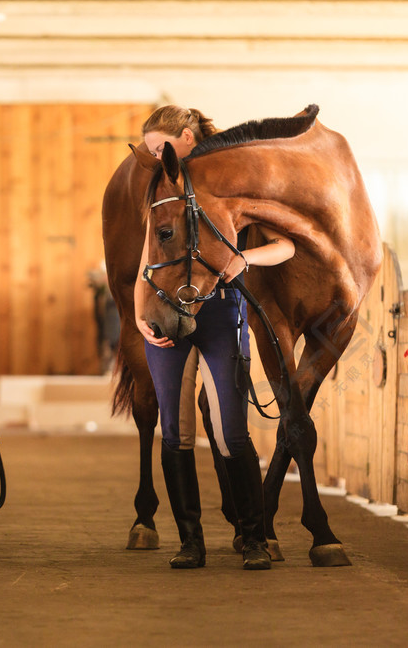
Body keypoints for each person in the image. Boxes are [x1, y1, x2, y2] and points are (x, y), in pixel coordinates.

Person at [136, 105, 295, 570]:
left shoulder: (234, 184)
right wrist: (140, 315)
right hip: (167, 312)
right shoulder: (158, 190)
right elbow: (144, 262)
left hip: (222, 312)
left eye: (159, 148)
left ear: (188, 138)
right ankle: (190, 541)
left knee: (232, 433)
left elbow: (284, 243)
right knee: (176, 432)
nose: (155, 157)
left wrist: (246, 260)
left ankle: (254, 537)